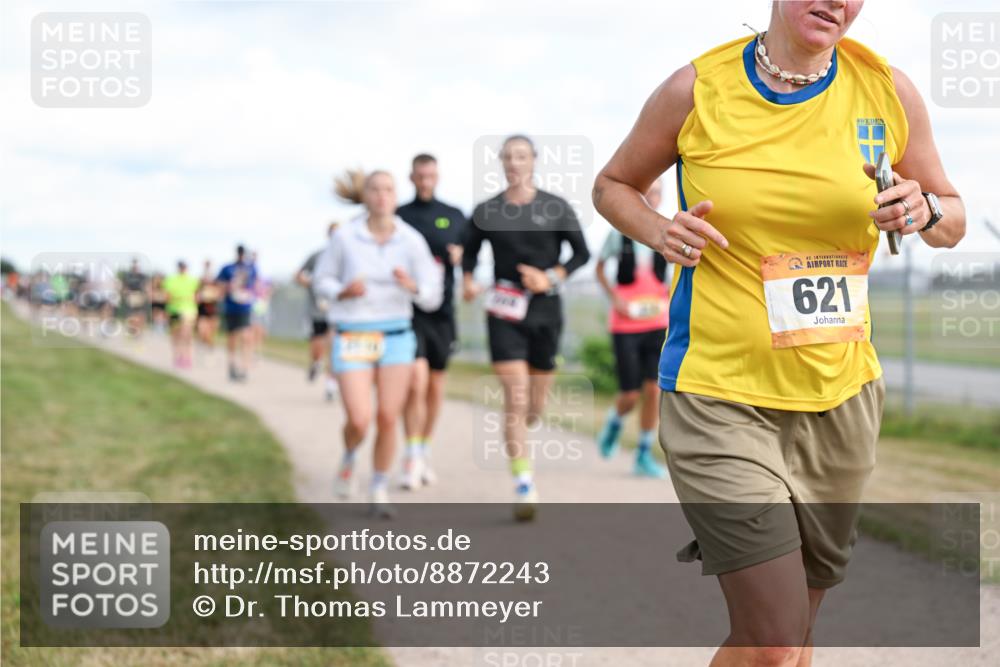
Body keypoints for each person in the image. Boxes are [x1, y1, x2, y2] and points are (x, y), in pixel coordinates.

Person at [592, 2, 965, 665]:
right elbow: (614, 184)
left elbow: (951, 218)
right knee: (775, 636)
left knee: (793, 638)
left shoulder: (887, 91)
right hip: (718, 392)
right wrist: (659, 228)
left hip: (839, 397)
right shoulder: (696, 88)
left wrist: (924, 205)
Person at [463, 134, 590, 521]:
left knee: (534, 405)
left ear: (533, 161)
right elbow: (468, 250)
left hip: (545, 312)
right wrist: (467, 277)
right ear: (501, 163)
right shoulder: (487, 210)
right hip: (503, 312)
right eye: (507, 157)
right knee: (515, 400)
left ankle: (530, 422)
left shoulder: (555, 207)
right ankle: (524, 483)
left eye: (521, 156)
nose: (514, 163)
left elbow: (581, 253)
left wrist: (550, 276)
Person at [314, 169, 442, 518]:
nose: (382, 196)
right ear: (365, 196)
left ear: (395, 196)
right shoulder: (345, 238)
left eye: (388, 189)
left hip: (396, 336)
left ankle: (378, 487)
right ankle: (350, 455)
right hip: (354, 334)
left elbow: (433, 294)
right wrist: (341, 291)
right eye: (375, 189)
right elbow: (320, 279)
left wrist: (412, 286)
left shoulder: (411, 240)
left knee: (388, 416)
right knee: (360, 418)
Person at [396, 154, 468, 490]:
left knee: (435, 387)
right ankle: (410, 454)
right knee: (415, 382)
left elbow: (470, 256)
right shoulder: (400, 217)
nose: (426, 181)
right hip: (408, 310)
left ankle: (423, 449)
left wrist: (461, 257)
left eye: (431, 176)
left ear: (437, 177)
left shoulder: (454, 216)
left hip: (442, 312)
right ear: (412, 177)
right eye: (420, 176)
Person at [594, 179, 669, 479]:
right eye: (649, 191)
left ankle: (643, 454)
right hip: (625, 325)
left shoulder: (670, 231)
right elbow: (599, 268)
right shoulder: (619, 233)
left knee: (654, 390)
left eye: (659, 192)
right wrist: (615, 299)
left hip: (657, 322)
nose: (654, 197)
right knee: (629, 394)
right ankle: (614, 422)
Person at [296, 222, 341, 401]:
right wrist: (311, 284)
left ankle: (331, 384)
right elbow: (298, 275)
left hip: (337, 310)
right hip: (318, 309)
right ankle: (316, 362)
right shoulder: (317, 256)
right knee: (318, 346)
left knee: (335, 346)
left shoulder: (348, 256)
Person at [216, 245, 258, 382]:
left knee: (246, 336)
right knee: (232, 337)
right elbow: (219, 285)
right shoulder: (227, 268)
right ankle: (232, 364)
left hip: (245, 307)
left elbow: (256, 285)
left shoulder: (251, 268)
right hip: (231, 307)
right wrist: (228, 288)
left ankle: (244, 367)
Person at [162, 260, 199, 368]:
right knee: (176, 335)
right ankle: (177, 356)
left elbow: (197, 296)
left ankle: (187, 357)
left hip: (189, 310)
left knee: (186, 333)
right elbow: (167, 296)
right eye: (181, 267)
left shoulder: (193, 280)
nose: (183, 269)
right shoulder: (171, 280)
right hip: (174, 310)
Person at [120, 258, 149, 337]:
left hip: (140, 295)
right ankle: (133, 328)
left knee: (140, 314)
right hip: (131, 295)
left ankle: (139, 330)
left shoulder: (143, 276)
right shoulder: (127, 276)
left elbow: (146, 286)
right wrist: (124, 293)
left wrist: (146, 295)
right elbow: (124, 287)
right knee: (132, 314)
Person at [196, 260, 221, 347]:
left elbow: (219, 294)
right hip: (203, 309)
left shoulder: (214, 280)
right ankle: (205, 340)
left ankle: (208, 341)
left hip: (212, 309)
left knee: (212, 329)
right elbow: (196, 296)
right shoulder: (200, 281)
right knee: (202, 329)